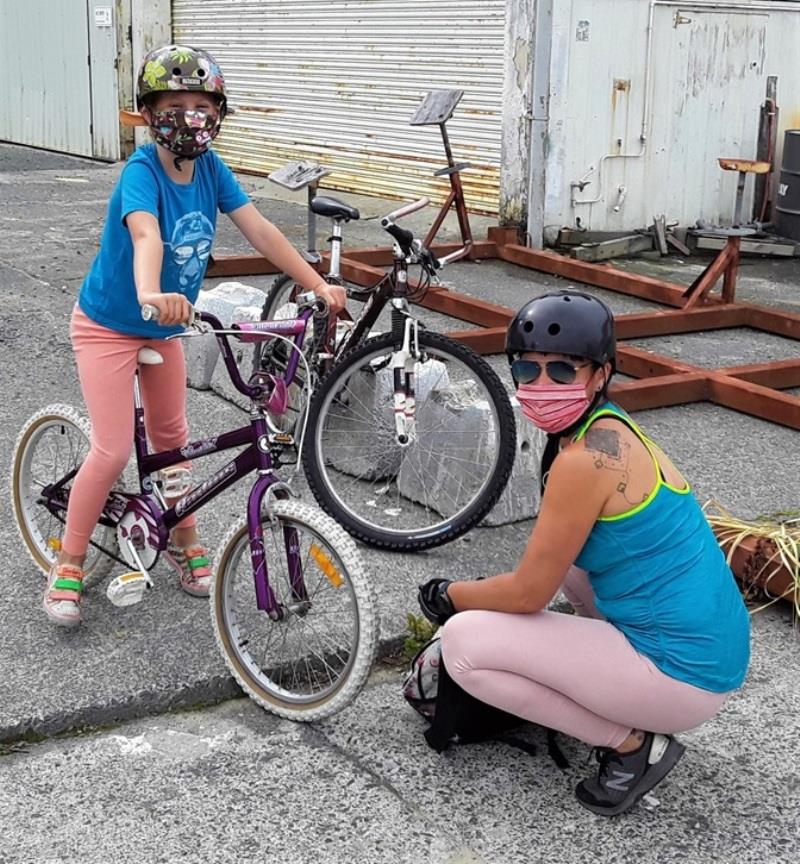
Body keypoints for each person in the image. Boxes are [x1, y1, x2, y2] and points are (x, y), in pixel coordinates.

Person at [43, 44, 345, 627]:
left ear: (219, 112)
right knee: (110, 450)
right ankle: (69, 561)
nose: (189, 116)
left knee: (174, 445)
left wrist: (317, 284)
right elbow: (146, 234)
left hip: (169, 327)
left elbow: (258, 228)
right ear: (149, 113)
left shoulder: (211, 169)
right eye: (174, 104)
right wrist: (153, 292)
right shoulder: (141, 170)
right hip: (109, 326)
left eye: (201, 104)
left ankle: (184, 540)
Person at [417, 290, 750, 817]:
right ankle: (605, 689)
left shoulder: (584, 461)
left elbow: (528, 593)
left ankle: (631, 745)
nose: (541, 385)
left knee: (463, 643)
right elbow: (550, 574)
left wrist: (447, 596)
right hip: (710, 654)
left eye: (563, 372)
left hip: (683, 676)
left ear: (600, 373)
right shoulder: (610, 426)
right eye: (527, 369)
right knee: (567, 564)